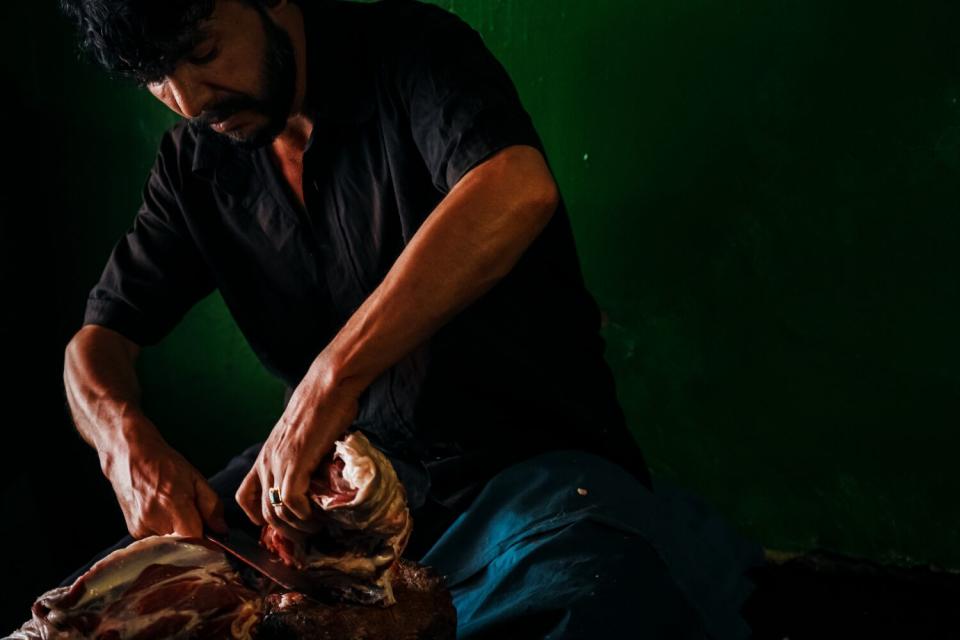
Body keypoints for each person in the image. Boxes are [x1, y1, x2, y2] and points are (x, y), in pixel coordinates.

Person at [57, 0, 765, 637]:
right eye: (156, 76)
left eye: (204, 52)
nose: (189, 99)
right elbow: (96, 343)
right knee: (100, 612)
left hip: (516, 471)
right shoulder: (195, 162)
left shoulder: (413, 52)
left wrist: (327, 384)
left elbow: (514, 187)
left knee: (596, 598)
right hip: (326, 501)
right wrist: (122, 442)